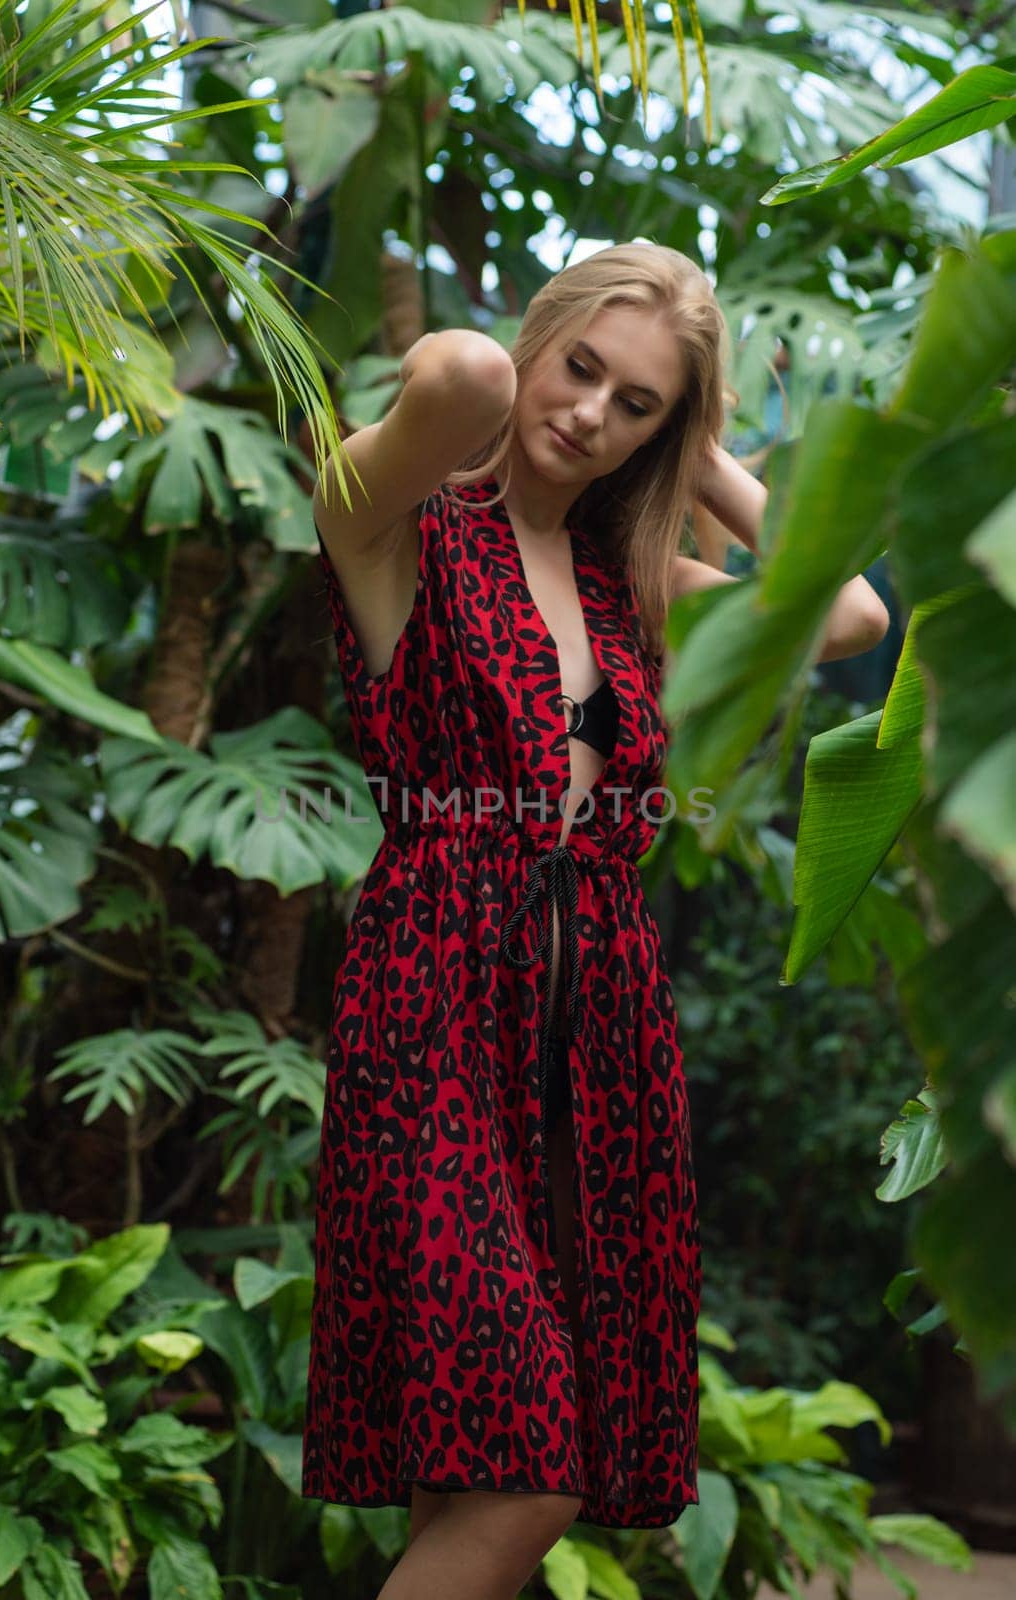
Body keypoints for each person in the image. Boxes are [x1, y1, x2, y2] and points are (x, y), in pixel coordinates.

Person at [301, 241, 889, 1600]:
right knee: (528, 1471)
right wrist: (529, 369)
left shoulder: (639, 592)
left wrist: (688, 454)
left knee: (496, 1464)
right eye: (580, 369)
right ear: (542, 337)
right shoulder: (391, 525)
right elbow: (453, 376)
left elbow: (847, 612)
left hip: (601, 1042)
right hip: (436, 1020)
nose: (590, 416)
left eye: (635, 405)